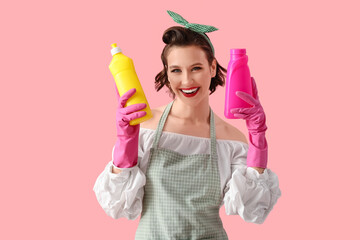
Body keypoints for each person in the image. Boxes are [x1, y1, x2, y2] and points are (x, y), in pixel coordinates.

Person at [93, 10, 281, 240]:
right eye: (176, 70)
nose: (187, 81)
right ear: (167, 74)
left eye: (196, 68)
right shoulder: (145, 128)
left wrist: (258, 137)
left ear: (212, 68)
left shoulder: (231, 140)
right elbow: (117, 205)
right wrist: (126, 140)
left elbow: (252, 209)